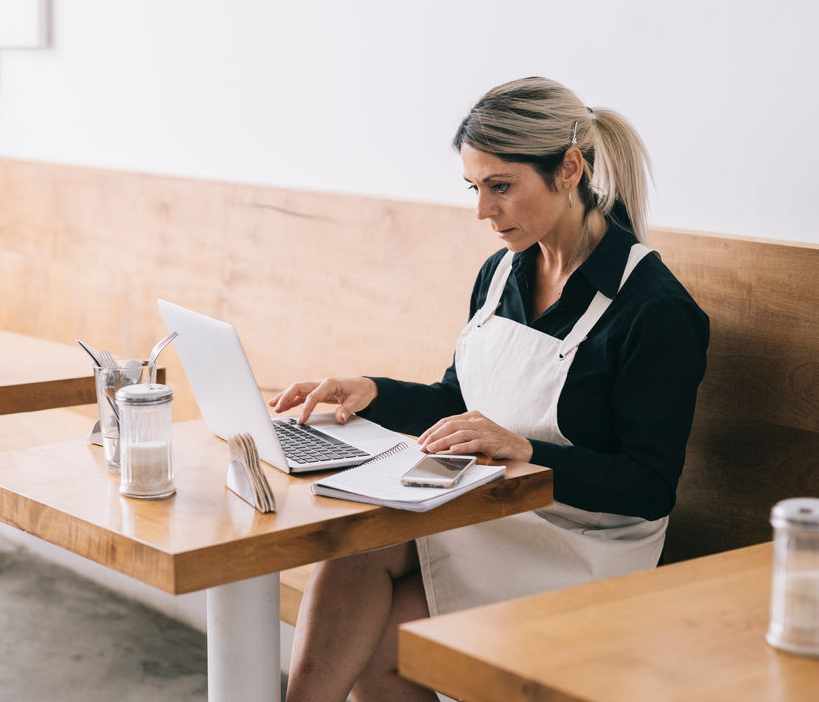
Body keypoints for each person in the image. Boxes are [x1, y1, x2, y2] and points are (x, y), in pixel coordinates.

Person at [268, 76, 709, 702]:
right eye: (474, 188)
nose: (483, 210)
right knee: (358, 549)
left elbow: (649, 486)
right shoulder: (503, 273)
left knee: (388, 638)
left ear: (569, 170)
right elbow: (460, 403)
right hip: (491, 511)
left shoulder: (655, 310)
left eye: (500, 186)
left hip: (581, 547)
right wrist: (370, 391)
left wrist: (527, 451)